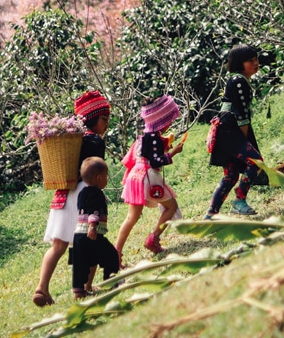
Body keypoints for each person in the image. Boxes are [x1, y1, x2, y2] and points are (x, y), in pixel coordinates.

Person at [32, 90, 111, 307]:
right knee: (91, 241)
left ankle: (42, 288)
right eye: (104, 119)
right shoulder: (94, 141)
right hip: (85, 194)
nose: (106, 124)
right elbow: (97, 170)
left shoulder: (70, 140)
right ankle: (84, 288)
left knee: (58, 246)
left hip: (63, 194)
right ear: (92, 118)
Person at [114, 94, 184, 263]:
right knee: (171, 206)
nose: (169, 124)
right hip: (148, 176)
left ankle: (116, 254)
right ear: (161, 120)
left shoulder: (143, 137)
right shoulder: (155, 139)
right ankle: (153, 238)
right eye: (168, 120)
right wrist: (172, 153)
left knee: (131, 217)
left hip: (135, 177)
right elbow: (155, 161)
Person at [204, 44, 266, 218]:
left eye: (256, 59)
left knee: (231, 175)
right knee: (255, 161)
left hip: (225, 130)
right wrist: (244, 140)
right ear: (239, 63)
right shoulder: (239, 81)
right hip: (230, 131)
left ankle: (211, 214)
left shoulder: (237, 80)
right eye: (250, 60)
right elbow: (241, 114)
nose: (255, 63)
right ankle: (239, 201)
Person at [72, 157, 120, 300]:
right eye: (106, 176)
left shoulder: (82, 192)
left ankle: (79, 291)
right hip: (92, 234)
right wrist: (92, 226)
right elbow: (93, 211)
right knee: (111, 255)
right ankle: (110, 281)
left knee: (81, 263)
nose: (106, 179)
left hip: (79, 234)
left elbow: (83, 210)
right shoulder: (96, 193)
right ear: (99, 178)